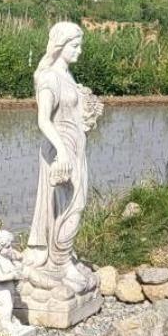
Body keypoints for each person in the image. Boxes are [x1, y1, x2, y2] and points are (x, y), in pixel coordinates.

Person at [25, 21, 102, 293]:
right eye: (75, 45)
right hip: (61, 153)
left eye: (80, 45)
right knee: (70, 205)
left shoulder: (68, 76)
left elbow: (72, 114)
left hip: (75, 149)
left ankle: (64, 256)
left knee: (74, 204)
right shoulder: (49, 78)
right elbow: (43, 120)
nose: (80, 51)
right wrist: (61, 151)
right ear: (60, 45)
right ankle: (59, 263)